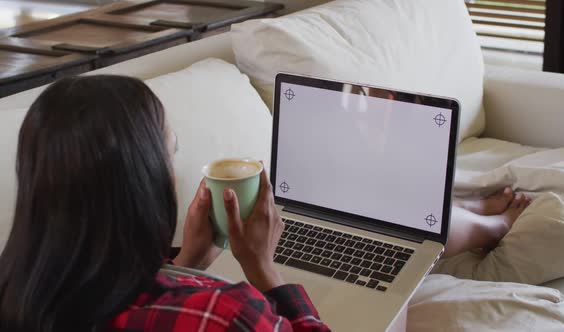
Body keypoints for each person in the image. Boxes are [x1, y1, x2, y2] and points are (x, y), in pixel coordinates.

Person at [0, 76, 331, 332]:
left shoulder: (16, 295)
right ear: (145, 180)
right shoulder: (226, 315)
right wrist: (264, 269)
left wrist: (188, 262)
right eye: (170, 154)